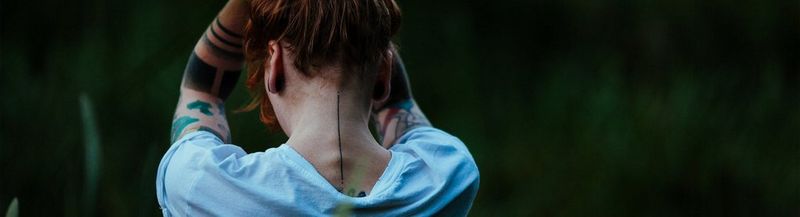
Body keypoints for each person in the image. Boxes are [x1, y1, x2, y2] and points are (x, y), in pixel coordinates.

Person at [155, 0, 479, 215]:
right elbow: (400, 103)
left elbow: (201, 90)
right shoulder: (446, 179)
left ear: (276, 63)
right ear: (384, 71)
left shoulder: (206, 186)